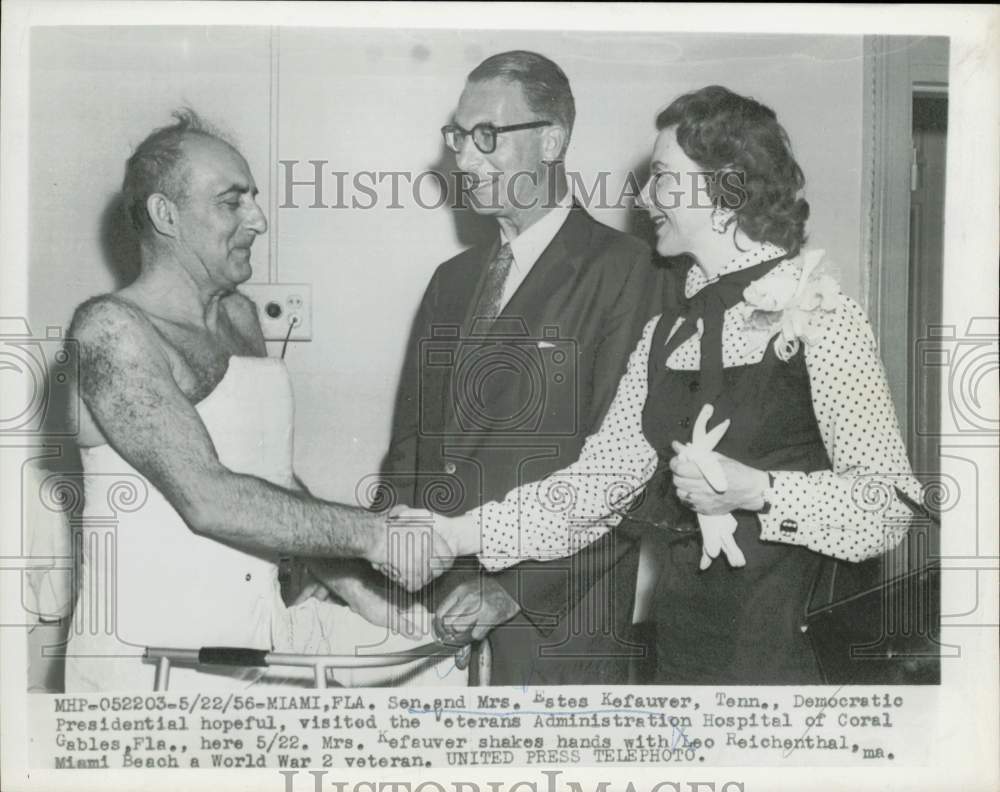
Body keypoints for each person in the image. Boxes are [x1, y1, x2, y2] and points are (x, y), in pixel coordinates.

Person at [436, 85, 924, 684]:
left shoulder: (820, 313)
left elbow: (890, 509)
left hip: (791, 657)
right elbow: (592, 489)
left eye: (663, 178)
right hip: (686, 651)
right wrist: (454, 533)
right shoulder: (666, 335)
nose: (643, 198)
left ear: (726, 192)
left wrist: (758, 491)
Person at [64, 110, 449, 691]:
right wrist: (375, 535)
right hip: (148, 666)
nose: (259, 220)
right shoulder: (111, 329)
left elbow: (268, 482)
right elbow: (209, 496)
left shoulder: (240, 317)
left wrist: (359, 589)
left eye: (254, 199)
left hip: (251, 641)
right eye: (232, 202)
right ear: (166, 215)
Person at [374, 51, 670, 685]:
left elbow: (629, 476)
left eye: (488, 136)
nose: (464, 157)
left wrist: (511, 592)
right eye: (458, 136)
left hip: (558, 628)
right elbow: (411, 448)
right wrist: (392, 568)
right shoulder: (449, 283)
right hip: (436, 625)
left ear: (551, 141)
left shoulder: (628, 271)